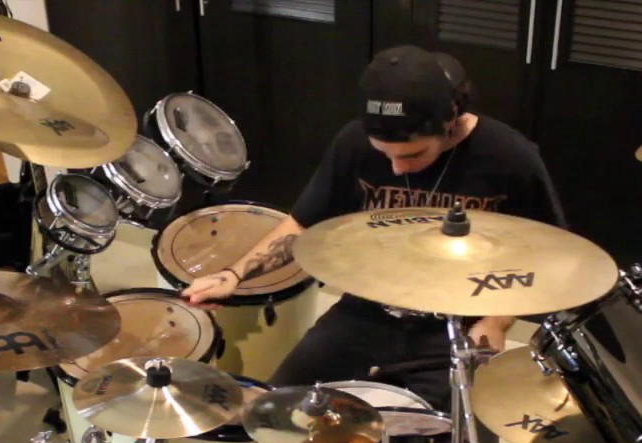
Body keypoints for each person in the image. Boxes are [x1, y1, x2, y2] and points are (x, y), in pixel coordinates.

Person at [181, 45, 565, 410]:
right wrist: (235, 274)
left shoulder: (510, 158)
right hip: (365, 312)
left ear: (451, 116)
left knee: (454, 438)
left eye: (413, 154)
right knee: (279, 409)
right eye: (384, 154)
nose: (396, 167)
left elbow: (543, 254)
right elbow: (304, 223)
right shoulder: (352, 144)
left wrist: (496, 321)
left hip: (453, 326)